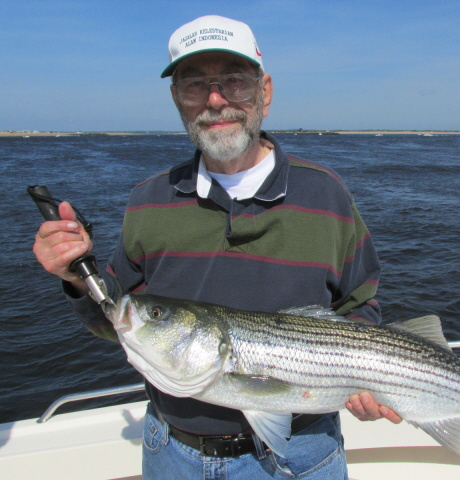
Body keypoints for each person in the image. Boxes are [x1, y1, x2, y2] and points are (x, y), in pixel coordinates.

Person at [33, 14, 400, 479]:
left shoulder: (326, 194)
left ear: (264, 91)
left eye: (234, 82)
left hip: (303, 454)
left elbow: (361, 305)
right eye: (194, 85)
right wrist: (73, 275)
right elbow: (116, 320)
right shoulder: (148, 200)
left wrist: (362, 380)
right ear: (176, 99)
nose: (215, 100)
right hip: (171, 453)